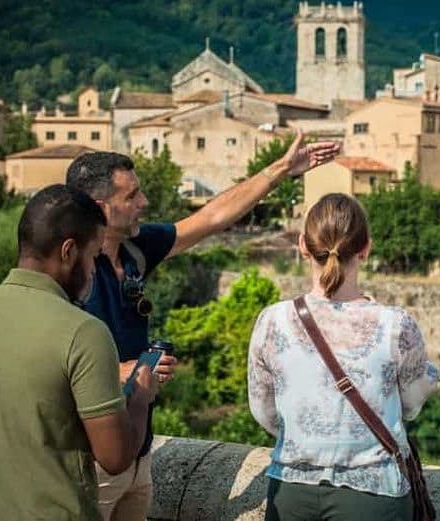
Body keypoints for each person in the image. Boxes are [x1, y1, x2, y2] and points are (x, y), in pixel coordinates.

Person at [65, 131, 340, 520]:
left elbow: (212, 217)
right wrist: (122, 371)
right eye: (132, 197)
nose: (144, 203)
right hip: (88, 460)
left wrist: (282, 170)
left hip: (136, 453)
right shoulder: (67, 270)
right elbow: (41, 359)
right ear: (100, 209)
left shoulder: (135, 249)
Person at [0, 185, 158, 521]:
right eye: (93, 256)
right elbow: (115, 457)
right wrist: (140, 396)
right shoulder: (85, 332)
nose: (94, 270)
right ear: (68, 251)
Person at [248, 193, 439, 521]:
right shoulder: (395, 325)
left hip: (292, 491)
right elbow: (410, 407)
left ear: (303, 246)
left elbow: (264, 411)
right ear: (365, 248)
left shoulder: (272, 321)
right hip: (374, 494)